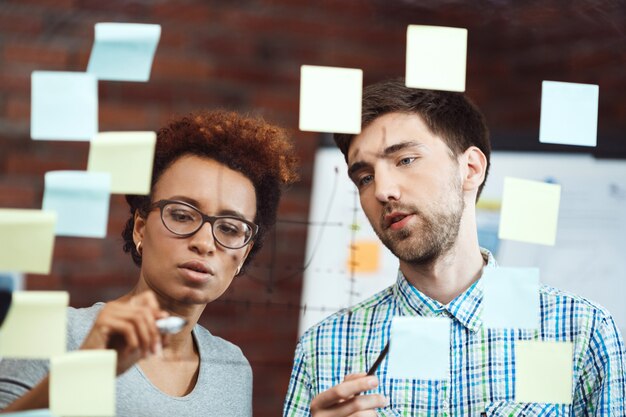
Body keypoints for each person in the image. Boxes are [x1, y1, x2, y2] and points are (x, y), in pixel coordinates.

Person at [283, 78, 626, 416]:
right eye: (365, 178)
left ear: (471, 169)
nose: (383, 190)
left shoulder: (579, 331)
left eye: (405, 160)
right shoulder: (324, 348)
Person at [0, 110, 298, 416]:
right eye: (182, 215)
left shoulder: (233, 368)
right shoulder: (58, 334)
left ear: (244, 255)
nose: (205, 243)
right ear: (140, 228)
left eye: (230, 228)